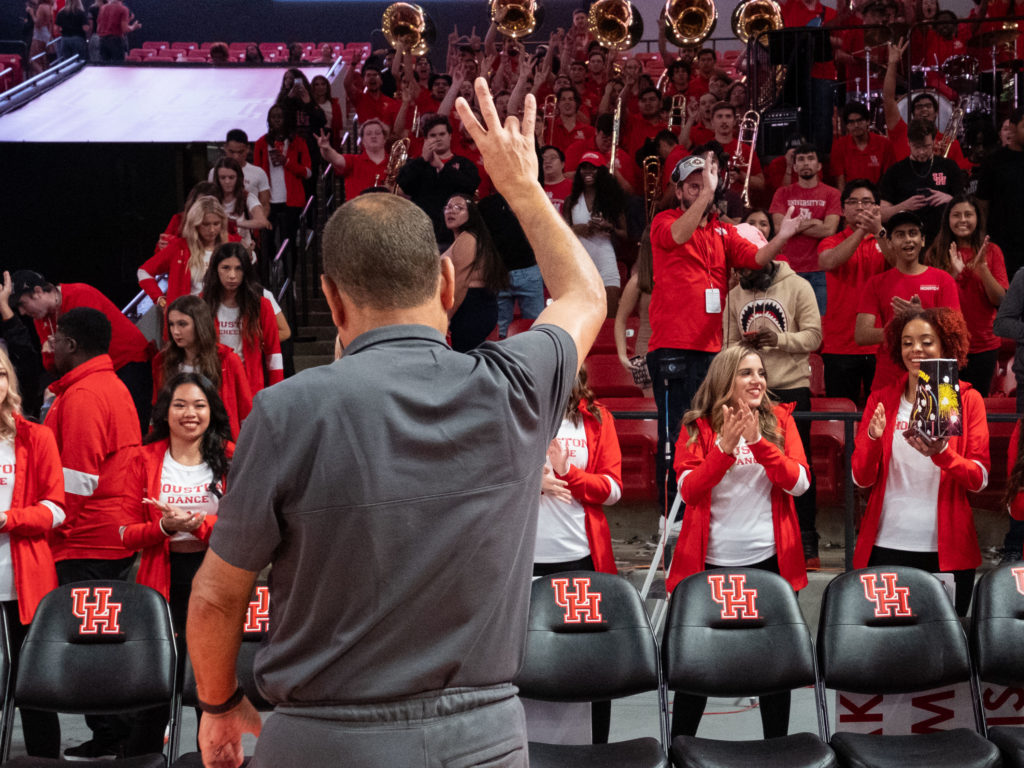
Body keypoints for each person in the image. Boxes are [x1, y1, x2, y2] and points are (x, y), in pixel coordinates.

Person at [185, 76, 605, 768]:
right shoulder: (516, 384)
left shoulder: (284, 410)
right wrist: (523, 189)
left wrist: (219, 706)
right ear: (446, 284)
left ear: (329, 297)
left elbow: (215, 596)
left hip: (321, 740)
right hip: (484, 742)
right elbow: (584, 292)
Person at [667, 343, 809, 738]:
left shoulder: (781, 420)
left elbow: (799, 483)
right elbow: (690, 491)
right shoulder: (696, 426)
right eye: (747, 372)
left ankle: (776, 752)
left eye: (761, 372)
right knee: (695, 672)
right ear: (725, 378)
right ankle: (681, 751)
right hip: (709, 566)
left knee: (774, 672)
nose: (757, 380)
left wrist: (760, 444)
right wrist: (724, 450)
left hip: (770, 565)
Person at [646, 152, 802, 509]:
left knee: (709, 430)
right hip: (672, 347)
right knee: (674, 436)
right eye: (693, 186)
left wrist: (783, 236)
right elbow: (679, 233)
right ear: (679, 191)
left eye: (706, 185)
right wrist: (707, 194)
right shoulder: (663, 221)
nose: (702, 191)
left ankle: (702, 510)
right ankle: (671, 518)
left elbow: (757, 259)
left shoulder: (723, 230)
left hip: (712, 351)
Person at [43, 308, 141, 760]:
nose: (49, 346)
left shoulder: (84, 394)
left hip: (88, 538)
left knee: (94, 643)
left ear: (73, 345)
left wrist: (48, 524)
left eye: (56, 338)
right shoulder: (109, 385)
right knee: (106, 638)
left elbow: (78, 480)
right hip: (106, 534)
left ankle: (113, 734)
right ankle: (119, 732)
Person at [120, 372, 232, 755]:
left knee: (210, 688)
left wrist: (200, 525)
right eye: (180, 404)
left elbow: (244, 529)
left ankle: (213, 760)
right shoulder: (143, 458)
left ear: (211, 411)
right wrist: (163, 527)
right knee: (157, 681)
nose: (190, 413)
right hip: (160, 582)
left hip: (215, 582)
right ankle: (143, 758)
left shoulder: (231, 457)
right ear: (165, 412)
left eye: (199, 405)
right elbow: (125, 533)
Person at [851, 306, 988, 616]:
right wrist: (873, 439)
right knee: (887, 648)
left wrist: (942, 454)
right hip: (885, 545)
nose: (916, 350)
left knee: (945, 653)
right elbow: (861, 478)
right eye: (907, 342)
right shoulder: (881, 398)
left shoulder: (965, 399)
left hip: (947, 552)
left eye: (927, 341)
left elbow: (978, 479)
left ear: (945, 346)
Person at [535, 367, 621, 744]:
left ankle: (597, 748)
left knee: (591, 663)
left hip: (581, 557)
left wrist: (568, 472)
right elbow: (486, 477)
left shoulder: (598, 418)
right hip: (526, 561)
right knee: (531, 660)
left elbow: (612, 489)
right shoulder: (518, 411)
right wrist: (533, 483)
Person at [724, 251, 823, 567]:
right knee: (751, 465)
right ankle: (758, 540)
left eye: (749, 268)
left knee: (796, 465)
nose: (743, 276)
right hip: (749, 390)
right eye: (739, 270)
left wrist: (778, 339)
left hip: (790, 386)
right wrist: (743, 350)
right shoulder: (734, 295)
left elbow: (814, 336)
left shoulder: (798, 286)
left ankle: (807, 538)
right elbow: (728, 346)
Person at [0, 345, 63, 758]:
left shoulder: (35, 437)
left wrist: (8, 520)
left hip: (24, 584)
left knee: (34, 689)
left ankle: (43, 761)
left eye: (0, 373)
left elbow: (56, 510)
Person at [12, 271, 152, 430]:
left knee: (130, 426)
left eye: (22, 304)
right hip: (97, 374)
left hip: (127, 362)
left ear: (37, 292)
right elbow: (53, 367)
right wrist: (50, 353)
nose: (22, 312)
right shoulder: (41, 319)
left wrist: (59, 352)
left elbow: (89, 353)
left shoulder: (80, 294)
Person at [855, 211, 961, 392]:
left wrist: (921, 317)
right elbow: (861, 335)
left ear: (923, 240)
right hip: (888, 381)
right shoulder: (876, 283)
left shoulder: (943, 280)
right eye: (900, 235)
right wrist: (900, 327)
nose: (908, 240)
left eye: (913, 233)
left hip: (934, 377)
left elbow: (955, 333)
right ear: (889, 242)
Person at [925, 194, 1007, 395]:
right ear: (948, 220)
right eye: (956, 215)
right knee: (947, 412)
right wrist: (952, 274)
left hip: (984, 345)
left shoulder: (992, 251)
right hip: (945, 346)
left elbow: (1000, 301)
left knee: (977, 407)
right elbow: (929, 302)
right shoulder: (935, 253)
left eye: (968, 215)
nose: (962, 220)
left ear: (977, 219)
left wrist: (982, 269)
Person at [817, 180, 889, 403]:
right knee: (839, 418)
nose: (860, 207)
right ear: (842, 209)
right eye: (854, 202)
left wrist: (877, 231)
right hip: (839, 344)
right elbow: (829, 262)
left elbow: (899, 263)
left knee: (882, 413)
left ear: (877, 207)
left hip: (881, 343)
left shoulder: (886, 238)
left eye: (867, 202)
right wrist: (861, 232)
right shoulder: (830, 241)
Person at [152, 295, 252, 440]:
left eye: (182, 324)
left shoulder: (228, 360)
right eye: (172, 324)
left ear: (200, 324)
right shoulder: (161, 361)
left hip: (220, 443)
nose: (175, 331)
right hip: (176, 444)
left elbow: (246, 410)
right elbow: (158, 408)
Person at [769, 142, 842, 314]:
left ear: (819, 165)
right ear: (794, 167)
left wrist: (793, 225)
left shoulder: (832, 194)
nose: (806, 163)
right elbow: (780, 229)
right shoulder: (782, 193)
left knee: (819, 325)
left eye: (810, 158)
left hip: (820, 271)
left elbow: (828, 230)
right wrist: (815, 222)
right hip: (788, 270)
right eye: (800, 160)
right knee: (788, 323)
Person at [202, 243, 282, 396]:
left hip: (251, 384)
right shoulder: (202, 303)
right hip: (213, 384)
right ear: (215, 270)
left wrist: (277, 391)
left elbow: (274, 352)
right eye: (225, 268)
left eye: (238, 268)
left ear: (246, 271)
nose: (232, 275)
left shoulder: (262, 305)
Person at [138, 195, 236, 310]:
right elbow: (143, 272)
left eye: (216, 224)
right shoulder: (179, 247)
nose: (212, 230)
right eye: (206, 224)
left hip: (225, 316)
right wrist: (159, 299)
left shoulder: (232, 245)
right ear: (195, 224)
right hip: (189, 316)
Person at [398, 115, 481, 249]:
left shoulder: (465, 164)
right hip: (422, 235)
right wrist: (423, 160)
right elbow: (404, 185)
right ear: (426, 140)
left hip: (455, 236)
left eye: (442, 134)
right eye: (433, 135)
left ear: (450, 136)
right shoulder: (415, 165)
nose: (438, 138)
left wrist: (441, 167)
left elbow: (469, 187)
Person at [563, 152, 628, 317]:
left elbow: (626, 235)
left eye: (593, 168)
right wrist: (575, 229)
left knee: (610, 311)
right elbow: (561, 234)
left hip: (605, 256)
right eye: (584, 168)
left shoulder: (612, 199)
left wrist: (609, 227)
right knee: (581, 315)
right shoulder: (571, 201)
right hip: (580, 260)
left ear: (602, 172)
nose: (588, 172)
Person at [879, 119, 964, 244]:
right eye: (916, 147)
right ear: (908, 143)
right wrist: (903, 207)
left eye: (926, 146)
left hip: (943, 239)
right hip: (907, 240)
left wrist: (949, 199)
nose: (921, 152)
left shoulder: (949, 167)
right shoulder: (895, 172)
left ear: (934, 141)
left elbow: (966, 206)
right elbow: (881, 214)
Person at [441, 194, 507, 352]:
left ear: (471, 213)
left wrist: (445, 318)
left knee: (465, 358)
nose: (451, 211)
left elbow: (461, 282)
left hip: (472, 307)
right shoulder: (463, 239)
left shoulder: (468, 239)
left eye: (459, 208)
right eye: (448, 207)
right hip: (471, 307)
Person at [253, 104, 312, 271]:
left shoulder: (298, 143)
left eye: (280, 116)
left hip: (291, 200)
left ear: (287, 119)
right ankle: (274, 270)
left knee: (290, 241)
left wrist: (287, 162)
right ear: (268, 120)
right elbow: (257, 172)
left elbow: (308, 172)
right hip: (268, 201)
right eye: (273, 116)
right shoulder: (261, 144)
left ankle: (290, 278)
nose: (277, 119)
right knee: (267, 240)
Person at [977, 107, 1024, 278]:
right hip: (1003, 244)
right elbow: (982, 204)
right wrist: (982, 239)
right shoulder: (994, 162)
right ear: (1012, 127)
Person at [615, 229, 654, 394]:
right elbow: (620, 319)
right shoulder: (637, 281)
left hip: (671, 349)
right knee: (649, 404)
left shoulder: (677, 276)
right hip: (643, 352)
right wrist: (622, 355)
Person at [315, 119, 389, 199]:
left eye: (377, 133)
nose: (373, 136)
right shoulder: (353, 161)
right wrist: (326, 148)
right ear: (363, 140)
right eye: (368, 134)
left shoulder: (395, 162)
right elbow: (334, 158)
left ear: (384, 138)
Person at [829, 101, 895, 190]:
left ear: (868, 121)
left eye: (859, 121)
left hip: (878, 197)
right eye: (851, 122)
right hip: (850, 197)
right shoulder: (839, 146)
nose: (856, 125)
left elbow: (889, 180)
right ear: (847, 126)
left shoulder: (885, 144)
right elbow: (840, 181)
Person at [212, 157, 269, 253]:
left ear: (238, 177)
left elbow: (262, 221)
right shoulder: (211, 198)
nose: (227, 181)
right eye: (222, 178)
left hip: (243, 251)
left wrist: (234, 224)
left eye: (231, 177)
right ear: (217, 179)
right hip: (217, 251)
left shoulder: (247, 197)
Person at [208, 130, 272, 213]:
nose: (236, 156)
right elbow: (211, 201)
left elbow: (265, 204)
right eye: (232, 152)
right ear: (225, 148)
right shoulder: (214, 172)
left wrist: (258, 222)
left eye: (240, 152)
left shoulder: (259, 173)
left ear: (247, 149)